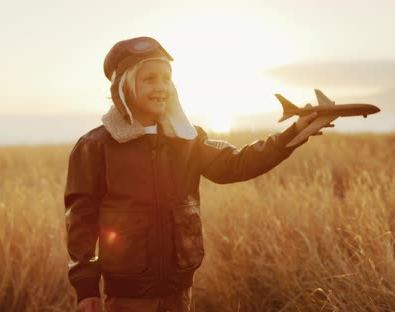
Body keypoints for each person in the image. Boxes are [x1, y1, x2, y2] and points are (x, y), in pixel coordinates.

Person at [64, 36, 326, 312]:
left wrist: (294, 133)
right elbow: (81, 219)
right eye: (149, 79)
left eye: (166, 79)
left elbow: (238, 163)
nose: (161, 87)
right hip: (128, 296)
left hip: (180, 291)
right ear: (123, 86)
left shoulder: (187, 140)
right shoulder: (95, 146)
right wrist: (86, 288)